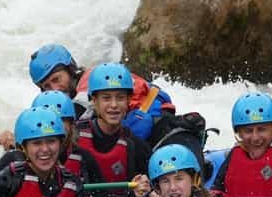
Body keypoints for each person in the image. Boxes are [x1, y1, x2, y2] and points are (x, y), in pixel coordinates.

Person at [29, 43, 176, 143]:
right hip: (140, 119)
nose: (55, 88)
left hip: (156, 119)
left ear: (70, 70)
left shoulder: (89, 81)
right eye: (47, 86)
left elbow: (70, 120)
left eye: (56, 79)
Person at [75, 62, 152, 197]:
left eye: (120, 98)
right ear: (94, 101)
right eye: (106, 98)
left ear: (129, 101)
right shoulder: (74, 138)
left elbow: (152, 189)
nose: (114, 105)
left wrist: (144, 189)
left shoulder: (136, 146)